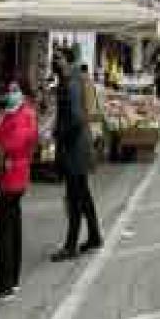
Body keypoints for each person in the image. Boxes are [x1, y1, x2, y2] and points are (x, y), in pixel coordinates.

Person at [0, 81, 39, 301]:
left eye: (15, 90)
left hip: (12, 177)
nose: (10, 94)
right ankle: (11, 279)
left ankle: (5, 282)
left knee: (3, 230)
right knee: (12, 227)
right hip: (9, 177)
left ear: (23, 94)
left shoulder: (25, 114)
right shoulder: (9, 112)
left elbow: (13, 143)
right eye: (9, 90)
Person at [51, 48, 102, 262]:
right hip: (80, 146)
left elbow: (75, 117)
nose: (54, 61)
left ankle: (71, 245)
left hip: (74, 149)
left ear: (68, 61)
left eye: (58, 58)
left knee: (74, 198)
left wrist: (59, 133)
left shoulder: (70, 82)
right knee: (83, 194)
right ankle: (94, 235)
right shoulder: (75, 79)